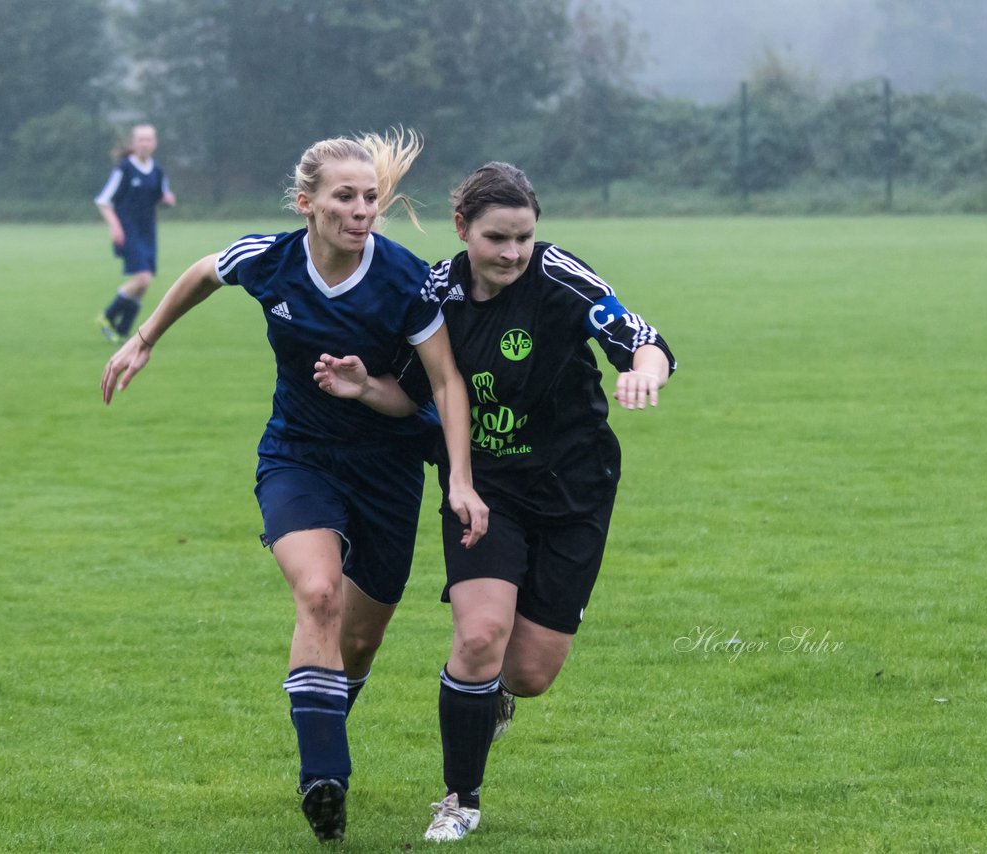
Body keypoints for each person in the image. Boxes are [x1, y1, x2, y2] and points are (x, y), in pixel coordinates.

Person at [100, 130, 489, 844]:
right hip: (299, 459)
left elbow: (444, 382)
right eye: (345, 196)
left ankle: (321, 735)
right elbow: (203, 272)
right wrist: (146, 336)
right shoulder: (271, 260)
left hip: (389, 472)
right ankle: (324, 781)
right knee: (318, 594)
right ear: (306, 203)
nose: (363, 208)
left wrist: (458, 479)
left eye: (370, 196)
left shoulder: (404, 279)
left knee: (360, 645)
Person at [314, 162, 676, 842]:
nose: (513, 253)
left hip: (576, 487)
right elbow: (411, 396)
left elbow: (643, 340)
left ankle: (490, 702)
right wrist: (364, 387)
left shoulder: (562, 275)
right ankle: (460, 798)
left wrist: (641, 375)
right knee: (479, 636)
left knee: (530, 673)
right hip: (484, 489)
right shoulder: (434, 293)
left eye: (524, 238)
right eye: (497, 238)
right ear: (463, 230)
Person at [94, 123, 176, 343]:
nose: (145, 143)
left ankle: (122, 331)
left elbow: (163, 197)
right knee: (142, 278)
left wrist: (167, 201)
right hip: (127, 230)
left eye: (149, 139)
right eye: (141, 139)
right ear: (133, 143)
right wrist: (115, 227)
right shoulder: (124, 169)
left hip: (148, 232)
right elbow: (103, 201)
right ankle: (108, 316)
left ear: (155, 143)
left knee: (144, 284)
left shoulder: (157, 171)